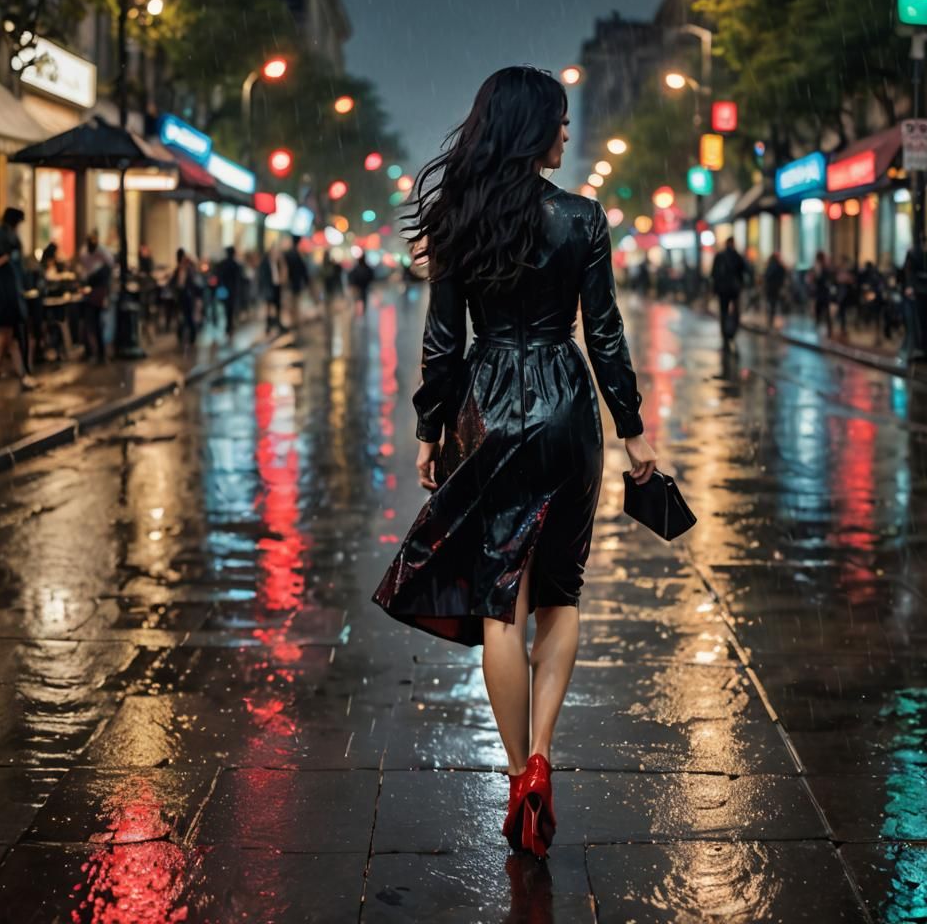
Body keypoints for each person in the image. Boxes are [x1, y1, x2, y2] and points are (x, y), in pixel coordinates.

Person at [372, 67, 656, 860]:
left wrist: (430, 432)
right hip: (566, 408)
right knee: (561, 592)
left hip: (487, 407)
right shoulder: (583, 218)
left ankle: (513, 771)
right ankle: (542, 753)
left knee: (504, 596)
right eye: (561, 123)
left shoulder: (459, 220)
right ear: (536, 130)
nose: (568, 136)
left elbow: (442, 344)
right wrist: (634, 434)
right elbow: (603, 335)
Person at [0, 208, 37, 389]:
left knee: (7, 333)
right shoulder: (5, 238)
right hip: (7, 292)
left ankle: (3, 371)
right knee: (10, 332)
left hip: (0, 290)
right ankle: (20, 373)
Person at [76, 230, 114, 363]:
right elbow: (84, 271)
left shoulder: (102, 252)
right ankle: (91, 351)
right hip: (91, 288)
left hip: (98, 289)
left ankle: (99, 353)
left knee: (95, 322)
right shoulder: (85, 252)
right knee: (89, 322)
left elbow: (109, 265)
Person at [709, 236, 748, 346]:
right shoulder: (737, 256)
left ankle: (725, 333)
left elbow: (713, 274)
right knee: (735, 311)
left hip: (723, 290)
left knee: (724, 311)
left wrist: (715, 289)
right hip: (734, 289)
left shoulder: (720, 256)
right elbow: (745, 270)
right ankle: (731, 333)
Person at [170, 248, 200, 348]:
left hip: (188, 297)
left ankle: (192, 337)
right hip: (180, 296)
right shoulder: (178, 269)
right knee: (180, 317)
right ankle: (181, 336)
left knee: (189, 317)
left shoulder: (190, 270)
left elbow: (194, 284)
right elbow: (173, 282)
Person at [216, 246, 244, 337]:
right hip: (232, 290)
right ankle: (229, 325)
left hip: (225, 289)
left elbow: (219, 277)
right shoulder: (236, 264)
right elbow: (239, 279)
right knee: (231, 309)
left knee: (226, 308)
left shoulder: (222, 264)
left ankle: (229, 326)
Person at [283, 235, 310, 328]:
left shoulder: (287, 254)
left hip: (289, 284)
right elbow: (304, 271)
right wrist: (307, 282)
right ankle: (295, 322)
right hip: (296, 284)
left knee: (290, 304)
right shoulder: (298, 255)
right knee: (295, 304)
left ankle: (292, 322)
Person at [257, 244, 285, 331]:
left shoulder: (278, 262)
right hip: (269, 287)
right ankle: (268, 325)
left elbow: (283, 272)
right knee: (269, 306)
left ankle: (278, 323)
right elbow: (262, 275)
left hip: (277, 286)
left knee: (278, 306)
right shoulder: (265, 262)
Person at [811, 251, 833, 337]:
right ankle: (821, 328)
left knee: (822, 311)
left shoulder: (822, 267)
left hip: (822, 293)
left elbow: (822, 279)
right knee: (821, 311)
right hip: (821, 293)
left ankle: (827, 330)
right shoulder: (821, 267)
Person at [763, 252, 787, 329]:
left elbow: (766, 276)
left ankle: (771, 319)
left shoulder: (770, 266)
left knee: (771, 303)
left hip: (770, 288)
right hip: (777, 288)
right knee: (775, 303)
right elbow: (783, 274)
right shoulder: (779, 266)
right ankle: (773, 319)